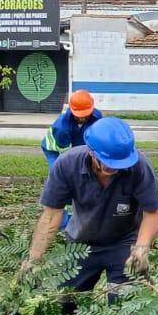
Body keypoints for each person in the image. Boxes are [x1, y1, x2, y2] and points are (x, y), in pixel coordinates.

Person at [24, 116, 158, 292]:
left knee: (123, 305)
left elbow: (152, 212)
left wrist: (142, 247)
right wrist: (34, 259)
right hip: (81, 243)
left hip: (123, 243)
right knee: (67, 301)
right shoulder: (67, 165)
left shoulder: (139, 167)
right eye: (108, 163)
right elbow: (51, 215)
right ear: (91, 151)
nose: (114, 168)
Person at [41, 90, 101, 230]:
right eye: (79, 115)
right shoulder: (62, 127)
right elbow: (67, 160)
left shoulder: (97, 118)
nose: (82, 118)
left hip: (81, 148)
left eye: (85, 114)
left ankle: (84, 214)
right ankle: (63, 224)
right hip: (56, 151)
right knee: (63, 181)